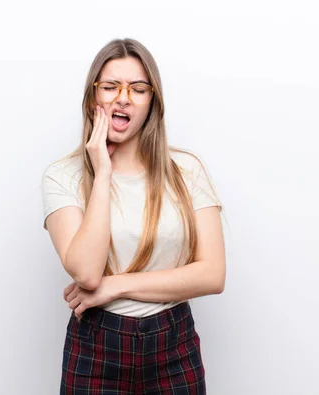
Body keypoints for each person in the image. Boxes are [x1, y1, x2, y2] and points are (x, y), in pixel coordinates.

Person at [41, 38, 226, 394]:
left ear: (151, 101)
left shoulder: (187, 170)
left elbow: (213, 274)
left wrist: (118, 285)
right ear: (93, 96)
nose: (123, 97)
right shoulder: (62, 176)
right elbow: (87, 272)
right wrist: (103, 172)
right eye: (111, 86)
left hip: (174, 343)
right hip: (96, 345)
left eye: (138, 89)